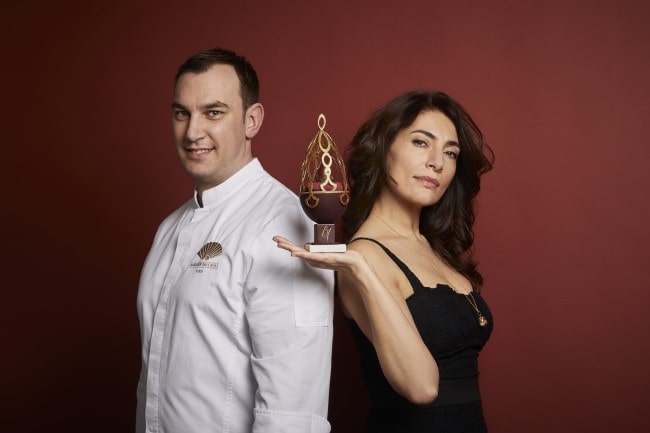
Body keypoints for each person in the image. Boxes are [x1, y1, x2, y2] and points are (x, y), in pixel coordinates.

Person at [136, 48, 334, 433]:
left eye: (213, 112)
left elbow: (293, 412)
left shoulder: (285, 224)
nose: (193, 132)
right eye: (182, 113)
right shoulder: (169, 228)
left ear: (251, 121)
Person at [274, 90, 495, 432]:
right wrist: (361, 269)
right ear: (383, 148)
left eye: (450, 152)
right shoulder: (363, 256)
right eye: (421, 143)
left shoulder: (434, 246)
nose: (437, 161)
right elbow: (421, 388)